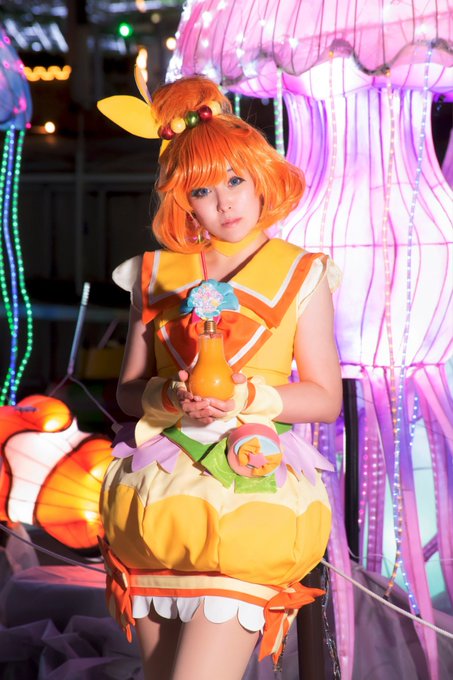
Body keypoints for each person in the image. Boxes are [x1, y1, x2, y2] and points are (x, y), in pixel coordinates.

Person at [97, 74, 342, 680]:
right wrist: (168, 395)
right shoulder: (153, 272)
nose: (225, 203)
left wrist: (245, 396)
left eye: (235, 180)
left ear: (260, 176)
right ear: (183, 200)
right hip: (153, 509)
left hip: (247, 501)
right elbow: (128, 391)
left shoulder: (302, 273)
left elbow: (324, 399)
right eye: (203, 190)